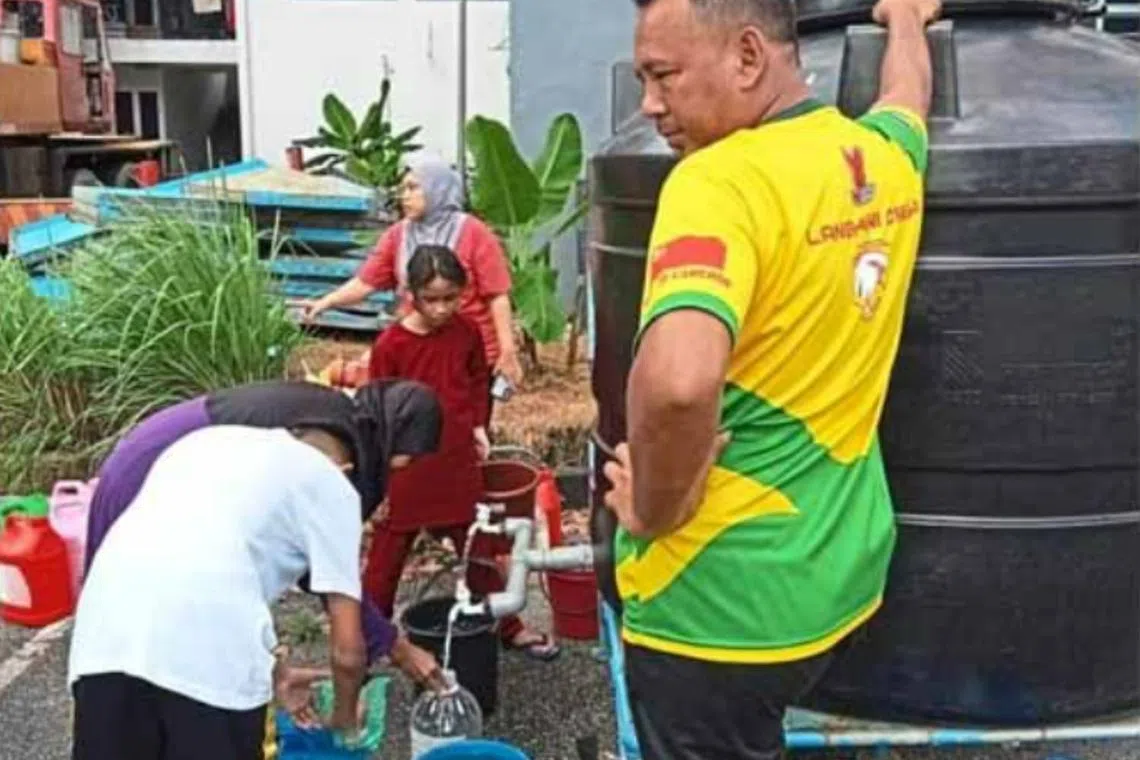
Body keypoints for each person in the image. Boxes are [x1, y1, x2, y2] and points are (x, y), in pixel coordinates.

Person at [601, 0, 939, 756]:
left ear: (748, 57)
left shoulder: (717, 181)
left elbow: (680, 383)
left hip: (714, 609)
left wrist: (655, 506)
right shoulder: (874, 158)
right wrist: (908, 20)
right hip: (835, 582)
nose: (649, 105)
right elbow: (906, 99)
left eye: (662, 76)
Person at [83, 379, 449, 705]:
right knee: (130, 628)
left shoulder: (345, 418)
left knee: (132, 628)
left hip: (151, 450)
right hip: (149, 469)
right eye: (411, 452)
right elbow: (322, 568)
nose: (407, 464)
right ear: (397, 429)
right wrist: (394, 648)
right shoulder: (333, 442)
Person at [69, 425, 367, 759]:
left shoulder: (204, 443)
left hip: (105, 633)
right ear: (346, 470)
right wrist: (344, 721)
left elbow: (202, 563)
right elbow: (348, 653)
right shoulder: (331, 483)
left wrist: (276, 673)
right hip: (209, 665)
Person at [364, 244, 559, 660]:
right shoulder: (390, 346)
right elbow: (376, 412)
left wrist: (476, 427)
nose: (440, 309)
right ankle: (369, 638)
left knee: (478, 547)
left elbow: (473, 380)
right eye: (430, 299)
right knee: (386, 559)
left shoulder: (466, 331)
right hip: (409, 467)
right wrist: (378, 480)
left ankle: (508, 625)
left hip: (455, 458)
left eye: (449, 298)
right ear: (410, 294)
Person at [303, 153, 524, 420]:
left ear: (437, 189)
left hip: (468, 350)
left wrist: (507, 351)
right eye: (403, 189)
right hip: (417, 345)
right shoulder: (398, 235)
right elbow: (366, 282)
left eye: (413, 188)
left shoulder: (475, 233)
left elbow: (497, 295)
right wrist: (325, 302)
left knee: (465, 420)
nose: (404, 196)